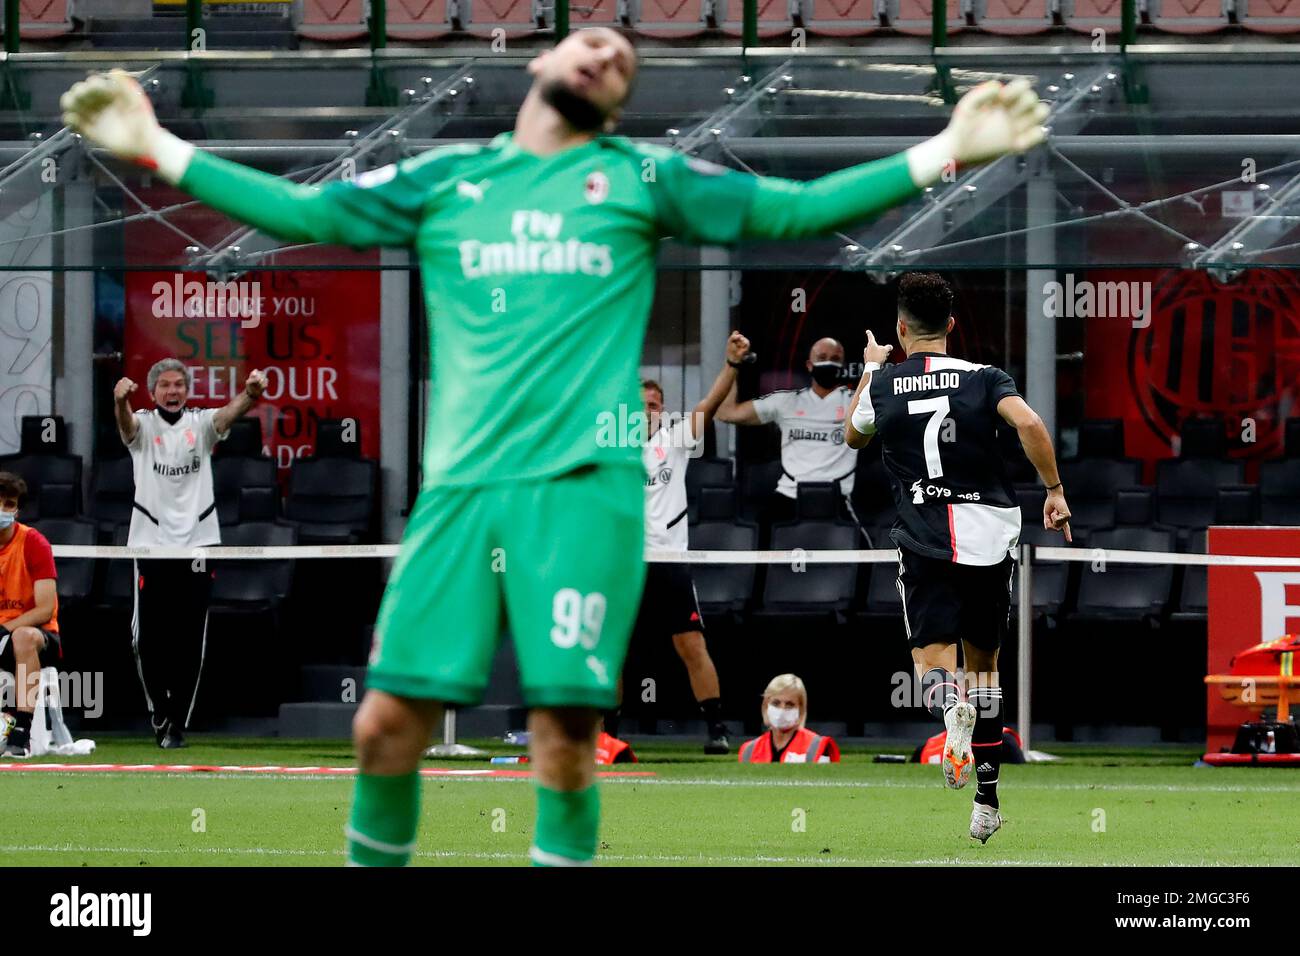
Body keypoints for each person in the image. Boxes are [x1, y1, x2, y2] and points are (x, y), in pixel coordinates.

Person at [61, 33, 1048, 866]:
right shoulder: (448, 178)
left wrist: (944, 149)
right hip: (461, 494)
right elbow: (309, 215)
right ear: (542, 63)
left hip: (583, 498)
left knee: (564, 742)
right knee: (383, 729)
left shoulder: (639, 178)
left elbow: (792, 208)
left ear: (616, 102)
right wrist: (156, 145)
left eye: (623, 57)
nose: (608, 49)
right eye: (591, 38)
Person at [844, 271, 1071, 843]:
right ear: (951, 325)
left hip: (924, 536)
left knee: (931, 663)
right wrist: (1054, 491)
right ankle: (987, 802)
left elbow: (852, 436)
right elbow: (1030, 423)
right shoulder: (985, 378)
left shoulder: (885, 383)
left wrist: (873, 365)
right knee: (986, 669)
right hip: (989, 535)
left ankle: (950, 709)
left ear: (900, 329)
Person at [114, 359, 267, 749]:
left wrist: (250, 395)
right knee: (146, 640)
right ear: (153, 392)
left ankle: (177, 721)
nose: (173, 391)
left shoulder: (200, 424)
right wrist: (119, 402)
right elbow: (127, 426)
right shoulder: (143, 424)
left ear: (187, 389)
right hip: (150, 543)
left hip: (199, 544)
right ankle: (158, 711)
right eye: (164, 385)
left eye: (179, 384)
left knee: (189, 639)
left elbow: (228, 415)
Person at [612, 331, 751, 755]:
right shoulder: (611, 450)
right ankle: (608, 735)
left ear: (662, 411)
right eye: (639, 405)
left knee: (690, 644)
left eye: (653, 405)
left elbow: (709, 406)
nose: (647, 410)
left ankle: (716, 728)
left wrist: (732, 365)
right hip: (623, 563)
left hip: (669, 560)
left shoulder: (673, 441)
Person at [718, 337, 863, 529]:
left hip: (837, 497)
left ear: (842, 365)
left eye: (835, 358)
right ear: (810, 365)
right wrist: (732, 364)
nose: (828, 362)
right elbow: (727, 412)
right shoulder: (786, 402)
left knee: (865, 556)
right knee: (758, 547)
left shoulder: (858, 403)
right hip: (789, 494)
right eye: (822, 357)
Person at [0, 472, 60, 758]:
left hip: (38, 635)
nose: (2, 510)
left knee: (22, 638)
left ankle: (21, 731)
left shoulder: (34, 543)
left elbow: (45, 608)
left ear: (17, 510)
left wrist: (5, 629)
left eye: (8, 504)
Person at [737, 674, 840, 763]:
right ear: (765, 705)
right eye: (776, 703)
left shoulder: (817, 747)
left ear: (801, 709)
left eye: (789, 704)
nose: (782, 709)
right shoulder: (749, 751)